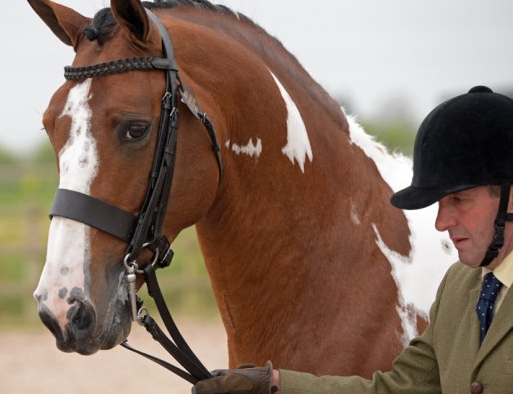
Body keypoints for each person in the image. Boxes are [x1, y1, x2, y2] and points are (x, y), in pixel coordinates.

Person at [191, 86, 513, 394]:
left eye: (459, 200)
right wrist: (273, 384)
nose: (442, 222)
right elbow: (397, 389)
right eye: (440, 204)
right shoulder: (459, 285)